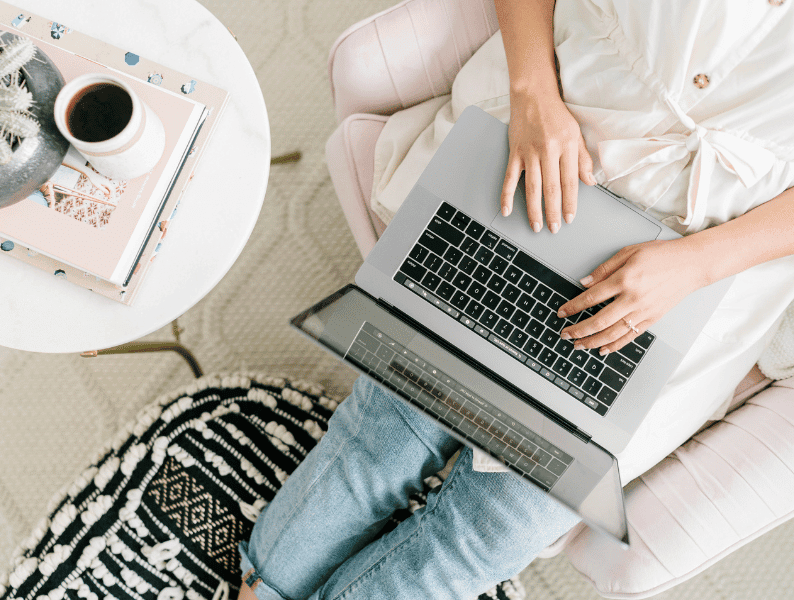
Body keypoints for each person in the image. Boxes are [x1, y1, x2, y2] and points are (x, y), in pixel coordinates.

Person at [238, 0, 794, 598]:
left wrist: (700, 263)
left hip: (693, 276)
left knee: (492, 533)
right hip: (542, 173)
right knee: (382, 439)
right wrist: (534, 95)